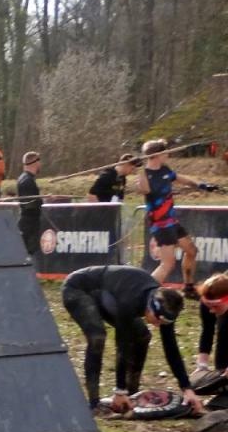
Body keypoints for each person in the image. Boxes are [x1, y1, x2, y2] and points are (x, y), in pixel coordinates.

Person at [61, 265, 202, 415]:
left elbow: (171, 349)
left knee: (143, 336)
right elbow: (122, 346)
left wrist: (187, 388)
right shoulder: (130, 302)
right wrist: (119, 390)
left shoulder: (163, 305)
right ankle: (94, 403)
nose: (159, 325)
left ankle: (131, 393)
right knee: (97, 337)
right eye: (159, 320)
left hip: (108, 294)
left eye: (166, 323)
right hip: (77, 288)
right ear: (151, 308)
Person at [136, 137, 219, 297]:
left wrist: (201, 185)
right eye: (165, 152)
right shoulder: (145, 174)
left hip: (172, 222)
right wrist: (140, 170)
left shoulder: (165, 170)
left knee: (191, 251)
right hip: (160, 224)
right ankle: (143, 293)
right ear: (158, 154)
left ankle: (188, 287)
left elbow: (182, 179)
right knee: (168, 264)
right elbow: (143, 190)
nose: (168, 155)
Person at [193, 272, 228, 381]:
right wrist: (202, 364)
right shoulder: (207, 301)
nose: (211, 310)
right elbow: (207, 330)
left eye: (215, 306)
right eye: (209, 305)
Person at [16, 151, 45, 257]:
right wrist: (42, 201)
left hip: (28, 224)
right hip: (29, 225)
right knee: (29, 255)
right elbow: (30, 205)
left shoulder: (25, 179)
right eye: (39, 162)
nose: (40, 165)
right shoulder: (27, 181)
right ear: (35, 162)